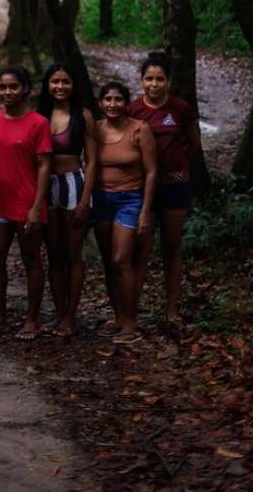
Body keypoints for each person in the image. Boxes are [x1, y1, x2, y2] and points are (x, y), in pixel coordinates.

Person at [0, 66, 51, 340]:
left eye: (13, 87)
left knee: (31, 259)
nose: (7, 92)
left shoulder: (38, 123)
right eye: (3, 87)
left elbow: (44, 166)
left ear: (26, 89)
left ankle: (32, 320)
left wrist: (36, 205)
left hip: (28, 200)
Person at [129, 52, 201, 330]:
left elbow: (194, 143)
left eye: (160, 79)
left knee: (172, 248)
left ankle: (171, 308)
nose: (154, 84)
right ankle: (130, 311)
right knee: (141, 250)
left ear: (168, 81)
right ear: (141, 81)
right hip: (143, 190)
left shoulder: (180, 109)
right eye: (149, 79)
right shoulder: (133, 110)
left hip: (175, 187)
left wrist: (178, 165)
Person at [93, 80, 157, 346]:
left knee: (122, 259)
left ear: (126, 103)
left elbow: (152, 172)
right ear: (101, 103)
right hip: (102, 200)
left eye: (118, 99)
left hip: (130, 200)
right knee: (109, 261)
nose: (112, 104)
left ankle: (131, 322)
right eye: (107, 99)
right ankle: (118, 317)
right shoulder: (95, 130)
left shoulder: (140, 129)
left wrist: (145, 211)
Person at [37, 62, 97, 336]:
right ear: (47, 85)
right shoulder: (39, 116)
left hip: (74, 184)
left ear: (74, 86)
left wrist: (85, 201)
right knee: (54, 254)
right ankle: (59, 312)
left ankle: (71, 315)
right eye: (55, 81)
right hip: (46, 188)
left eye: (65, 81)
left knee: (73, 255)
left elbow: (93, 161)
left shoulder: (82, 116)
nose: (60, 86)